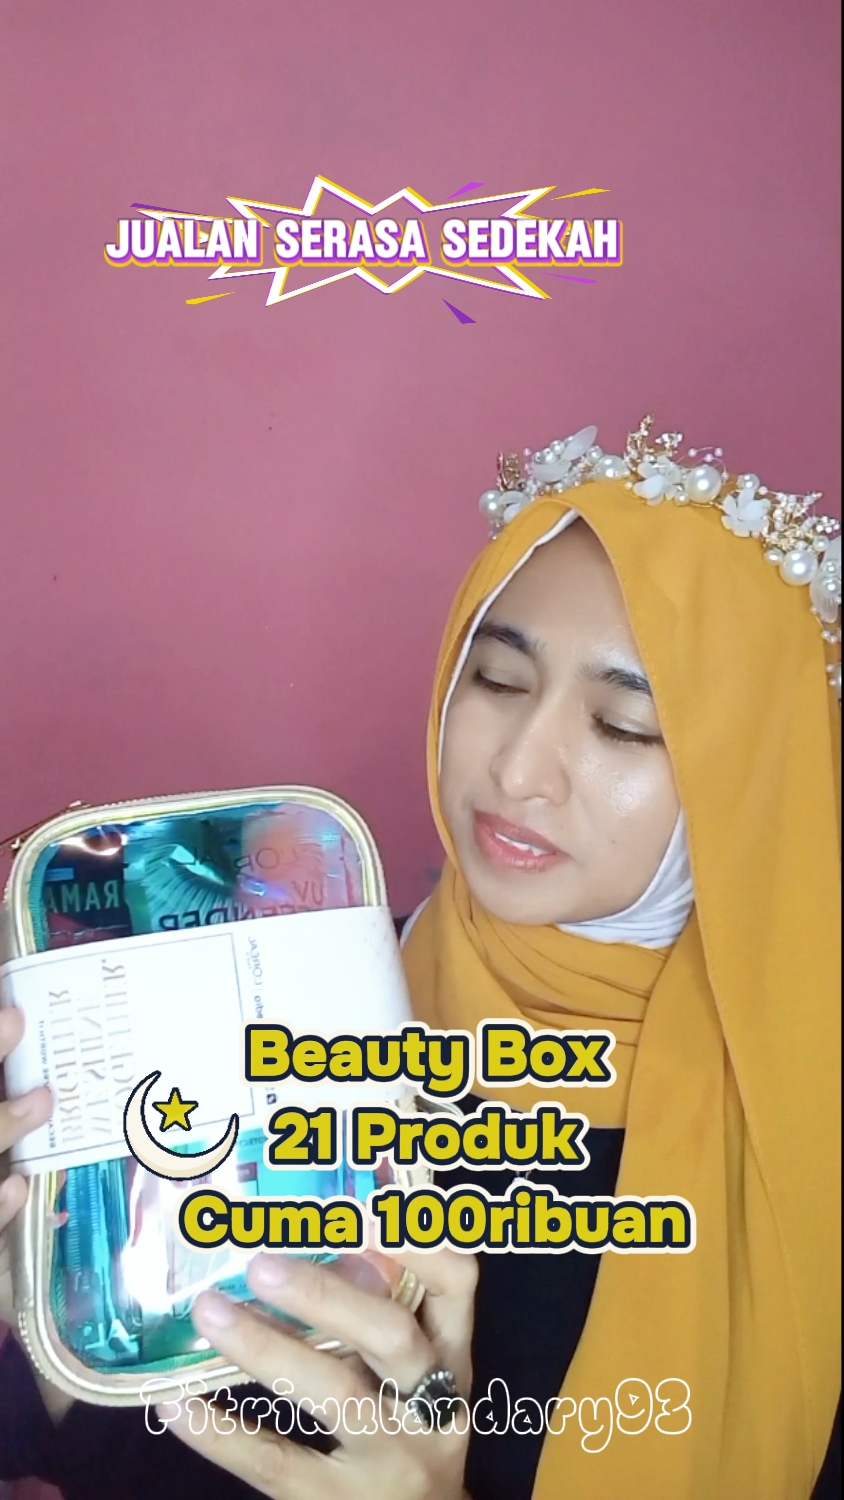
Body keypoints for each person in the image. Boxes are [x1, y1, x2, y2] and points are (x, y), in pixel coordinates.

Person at [0, 414, 840, 1499]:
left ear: (752, 775)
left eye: (627, 727)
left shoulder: (806, 1148)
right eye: (497, 679)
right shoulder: (284, 990)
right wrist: (36, 1301)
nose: (520, 770)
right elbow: (109, 1417)